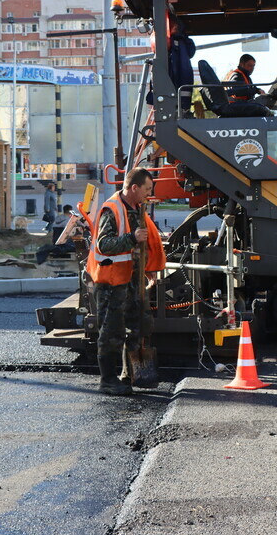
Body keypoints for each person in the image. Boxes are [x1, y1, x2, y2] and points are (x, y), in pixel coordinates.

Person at [85, 168, 166, 395]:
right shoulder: (112, 210)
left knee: (140, 324)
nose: (149, 194)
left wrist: (147, 268)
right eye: (147, 189)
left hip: (132, 280)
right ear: (134, 188)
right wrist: (131, 238)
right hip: (112, 283)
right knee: (112, 332)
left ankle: (129, 374)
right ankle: (108, 380)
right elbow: (104, 244)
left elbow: (142, 244)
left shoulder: (136, 209)